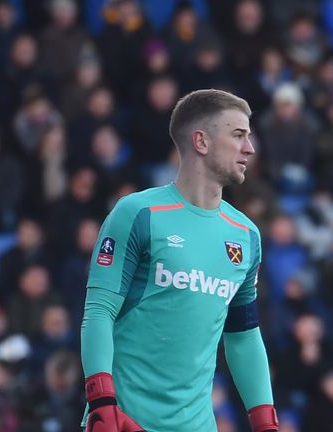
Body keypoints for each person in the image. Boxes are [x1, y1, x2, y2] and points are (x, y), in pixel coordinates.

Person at [79, 89, 278, 431]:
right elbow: (99, 311)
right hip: (125, 421)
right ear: (201, 141)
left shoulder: (246, 235)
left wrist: (266, 423)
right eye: (238, 135)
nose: (250, 148)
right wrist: (101, 402)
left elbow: (243, 335)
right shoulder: (138, 213)